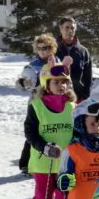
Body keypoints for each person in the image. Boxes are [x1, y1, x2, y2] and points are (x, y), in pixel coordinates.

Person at [24, 60, 76, 199]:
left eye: (64, 82)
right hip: (43, 162)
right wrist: (44, 147)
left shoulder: (72, 106)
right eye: (56, 82)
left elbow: (77, 132)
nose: (61, 86)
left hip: (66, 164)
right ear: (46, 84)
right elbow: (29, 132)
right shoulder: (37, 106)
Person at [17, 33, 59, 176]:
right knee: (34, 132)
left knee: (51, 131)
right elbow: (22, 83)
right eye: (40, 48)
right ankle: (26, 164)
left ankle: (51, 160)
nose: (43, 51)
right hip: (37, 103)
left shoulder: (57, 63)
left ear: (52, 48)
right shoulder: (32, 66)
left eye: (46, 48)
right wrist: (23, 83)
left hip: (54, 102)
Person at [56, 17, 93, 101]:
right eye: (67, 27)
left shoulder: (83, 51)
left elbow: (88, 77)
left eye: (72, 28)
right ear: (61, 29)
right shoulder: (53, 49)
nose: (70, 30)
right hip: (57, 95)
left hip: (78, 96)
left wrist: (85, 95)